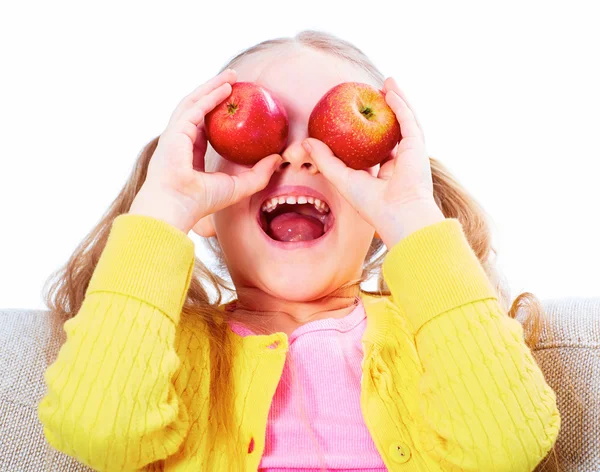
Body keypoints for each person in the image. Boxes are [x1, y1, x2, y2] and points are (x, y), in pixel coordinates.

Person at [37, 30, 561, 471]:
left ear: (376, 210)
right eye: (258, 140)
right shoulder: (171, 351)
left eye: (332, 144)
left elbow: (506, 444)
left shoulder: (427, 344)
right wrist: (165, 205)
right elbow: (97, 430)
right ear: (205, 203)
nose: (296, 154)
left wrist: (411, 215)